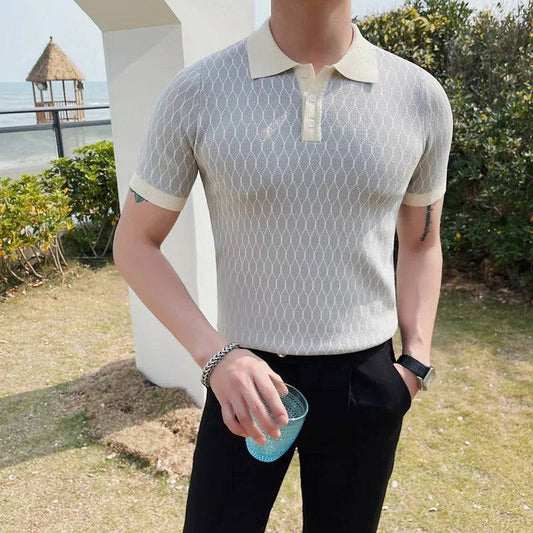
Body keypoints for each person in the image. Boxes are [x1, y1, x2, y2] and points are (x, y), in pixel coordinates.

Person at [113, 1, 452, 531]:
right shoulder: (198, 90)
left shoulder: (419, 97)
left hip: (366, 382)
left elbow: (421, 243)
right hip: (241, 376)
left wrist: (415, 363)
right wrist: (214, 356)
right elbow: (135, 241)